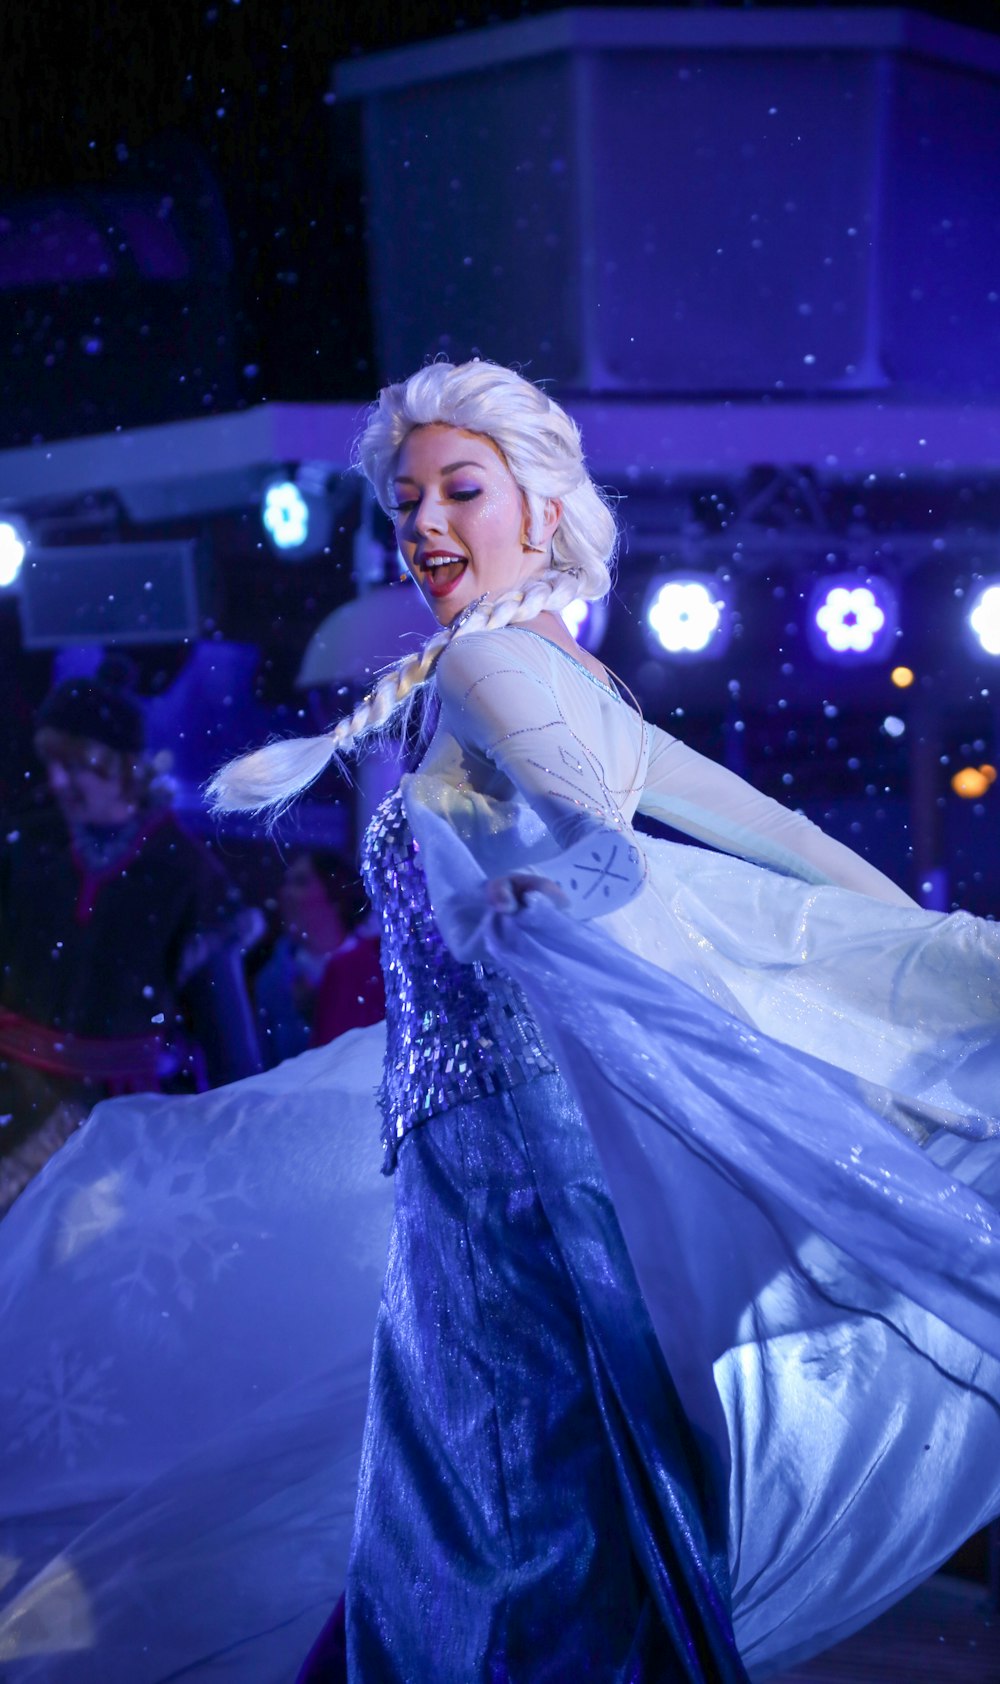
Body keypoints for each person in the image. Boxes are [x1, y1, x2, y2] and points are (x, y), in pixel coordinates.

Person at [1, 362, 1000, 1683]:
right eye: (407, 497)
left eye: (459, 490)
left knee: (496, 1505)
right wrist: (941, 960)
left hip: (499, 1170)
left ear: (540, 507)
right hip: (498, 1152)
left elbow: (612, 846)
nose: (423, 522)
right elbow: (769, 843)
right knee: (514, 1497)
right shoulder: (545, 676)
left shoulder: (486, 666)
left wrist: (935, 962)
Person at [0, 660, 262, 1213]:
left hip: (121, 1124)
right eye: (54, 763)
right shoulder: (27, 846)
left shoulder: (185, 873)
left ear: (122, 767)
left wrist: (237, 1146)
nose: (60, 782)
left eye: (79, 765)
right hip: (11, 1097)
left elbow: (228, 1043)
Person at [254, 850, 384, 1066]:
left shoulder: (379, 966)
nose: (286, 892)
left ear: (334, 892)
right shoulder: (270, 979)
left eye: (301, 882)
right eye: (287, 883)